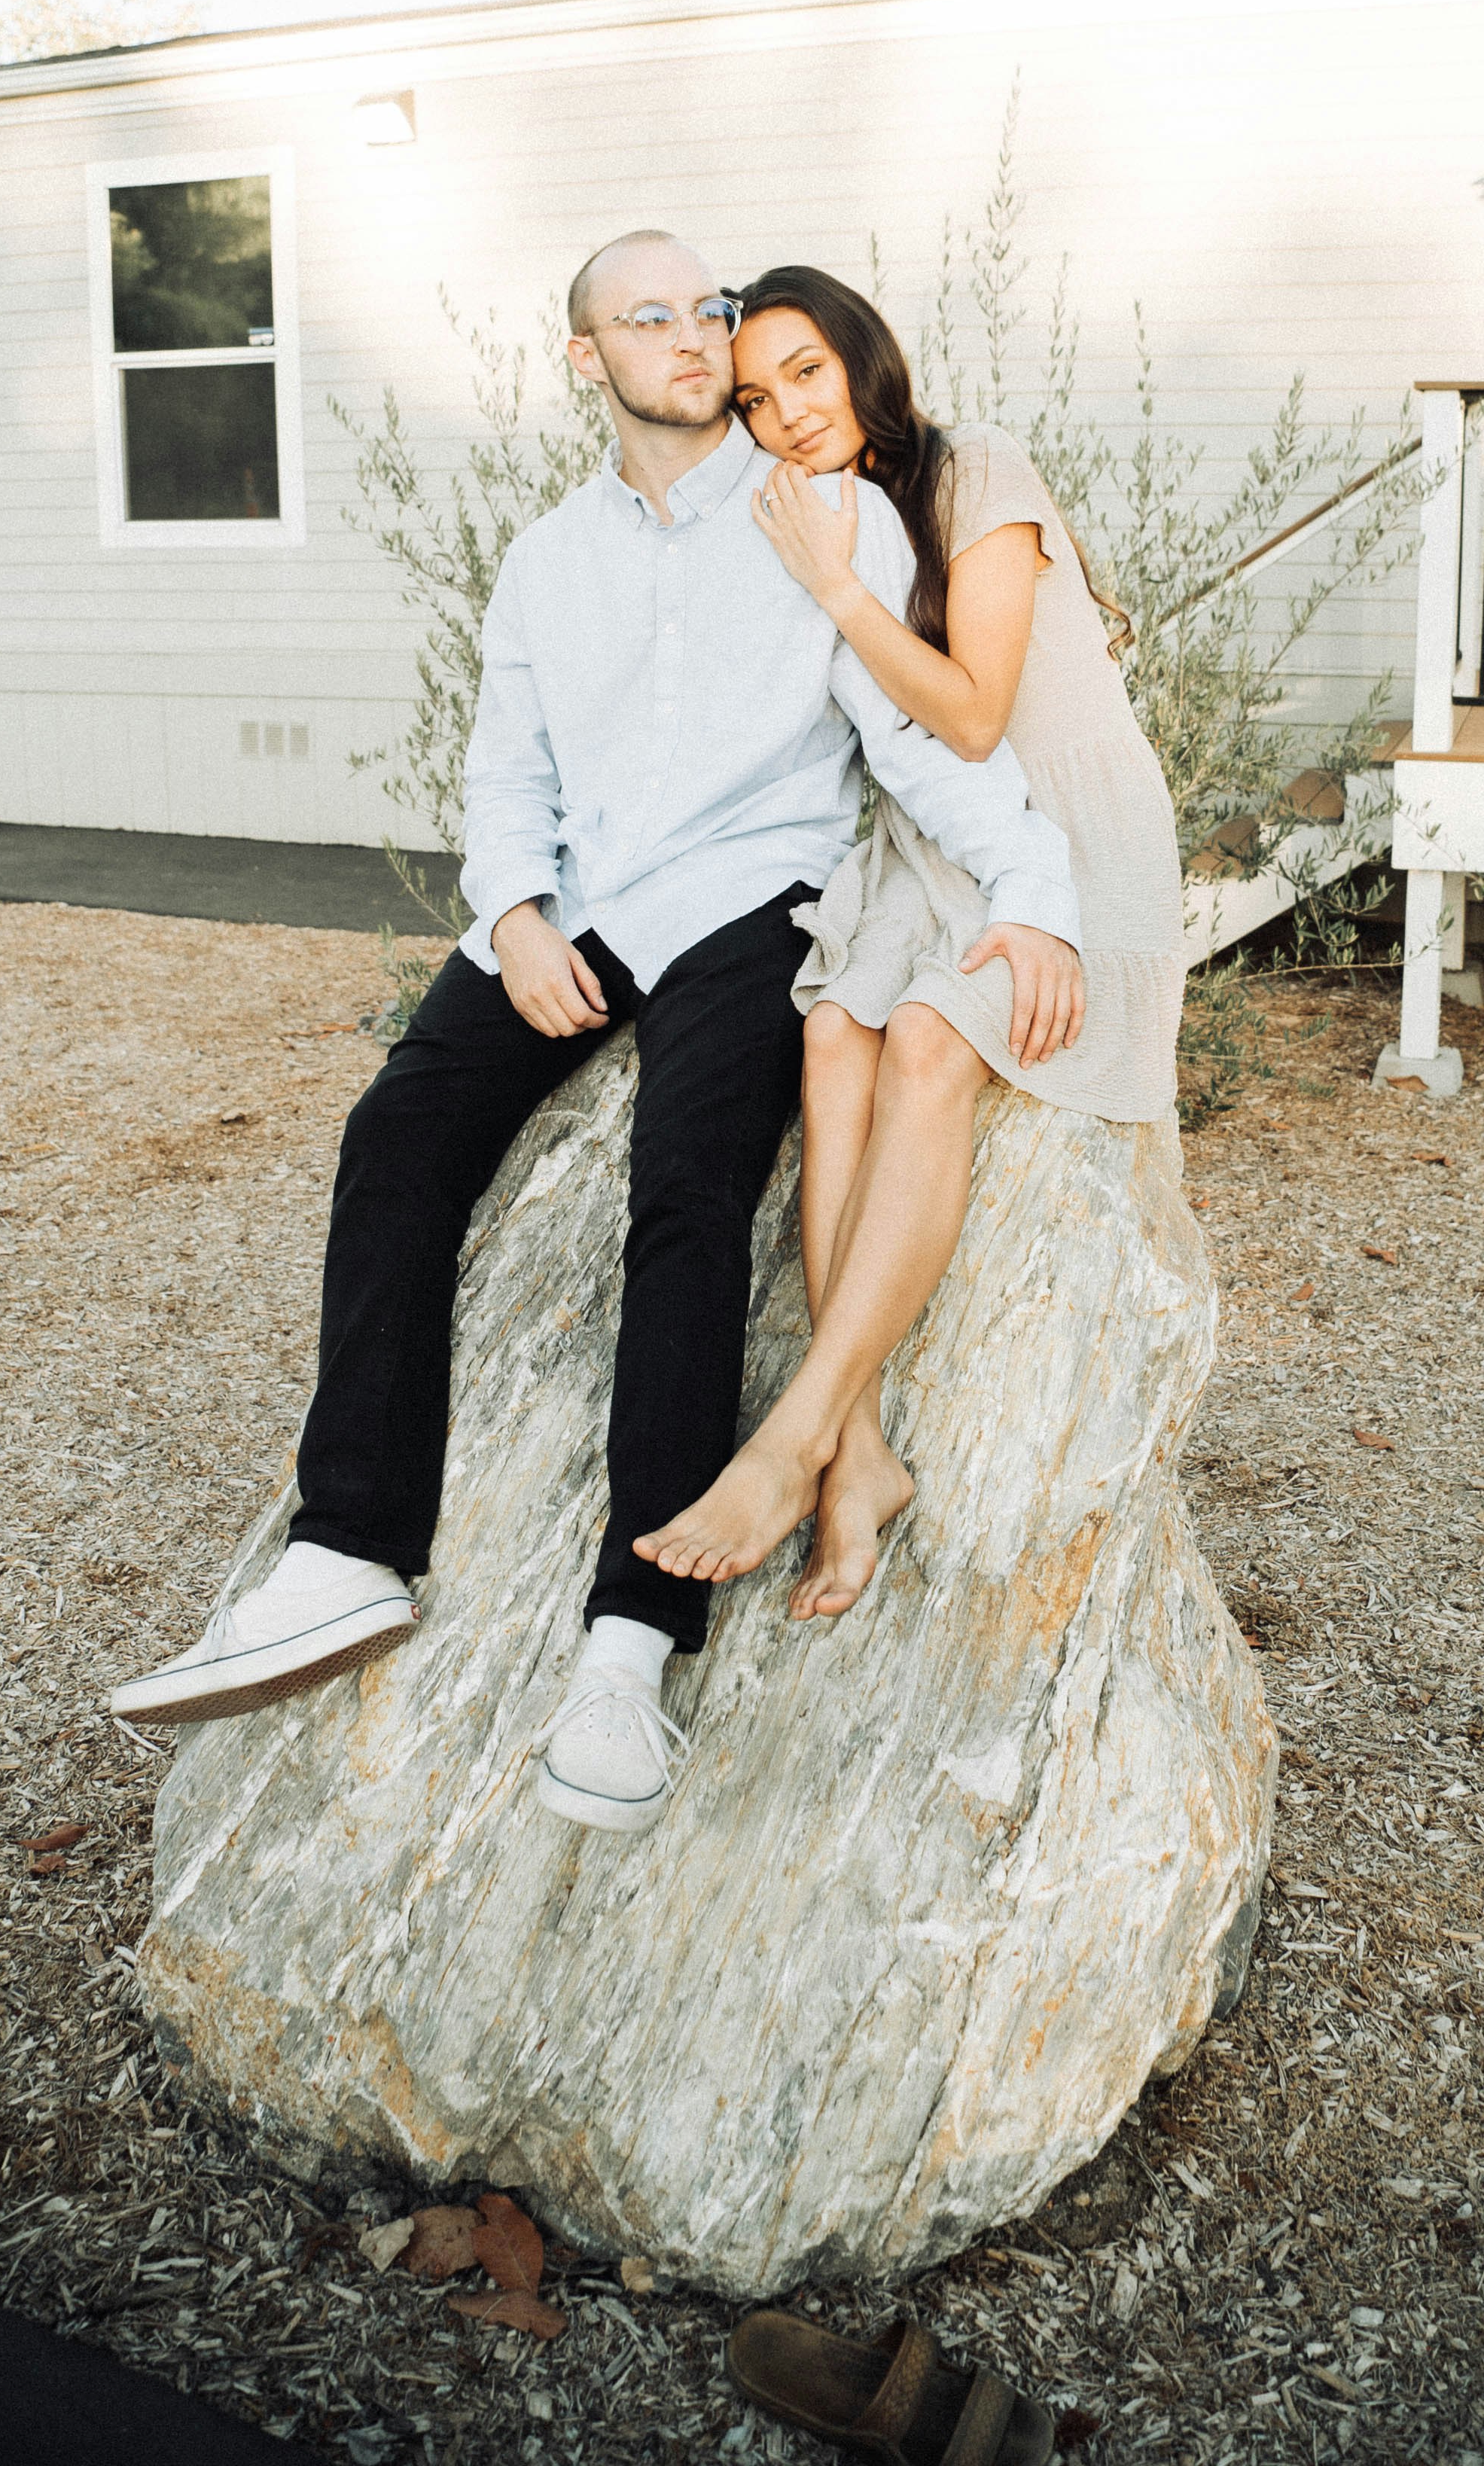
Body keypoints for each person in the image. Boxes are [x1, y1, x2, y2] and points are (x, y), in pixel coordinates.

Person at [112, 231, 1083, 1838]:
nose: (699, 336)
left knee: (689, 1185)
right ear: (587, 357)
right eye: (656, 315)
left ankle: (632, 1643)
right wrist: (513, 914)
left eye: (713, 310)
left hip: (751, 893)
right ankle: (346, 1548)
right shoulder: (546, 558)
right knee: (399, 1130)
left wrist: (1033, 892)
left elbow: (923, 742)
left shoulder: (817, 515)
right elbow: (507, 776)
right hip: (585, 907)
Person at [633, 264, 1184, 1620]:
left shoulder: (977, 470)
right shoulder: (828, 521)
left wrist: (836, 589)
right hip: (936, 835)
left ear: (863, 356)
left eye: (806, 373)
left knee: (932, 1037)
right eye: (755, 399)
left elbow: (981, 716)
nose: (787, 416)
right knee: (833, 1033)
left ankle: (793, 1436)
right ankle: (862, 1451)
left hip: (1074, 816)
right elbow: (900, 744)